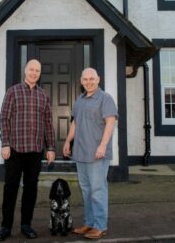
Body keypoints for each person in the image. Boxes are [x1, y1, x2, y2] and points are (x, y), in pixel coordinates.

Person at [0, 59, 56, 242]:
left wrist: (50, 147)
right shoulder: (13, 92)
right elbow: (4, 118)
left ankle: (26, 225)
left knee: (31, 189)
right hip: (15, 149)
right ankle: (5, 227)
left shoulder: (43, 95)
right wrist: (5, 143)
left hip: (36, 150)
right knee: (10, 188)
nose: (34, 73)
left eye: (37, 70)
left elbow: (47, 123)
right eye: (31, 69)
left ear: (40, 73)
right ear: (25, 71)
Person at [63, 67, 118, 240]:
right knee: (86, 190)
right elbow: (75, 124)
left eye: (91, 78)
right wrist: (67, 141)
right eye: (85, 79)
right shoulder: (79, 100)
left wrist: (103, 145)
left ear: (98, 79)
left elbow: (110, 123)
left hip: (97, 154)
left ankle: (100, 226)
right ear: (81, 81)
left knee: (97, 190)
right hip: (80, 153)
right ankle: (89, 223)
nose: (88, 81)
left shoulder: (105, 99)